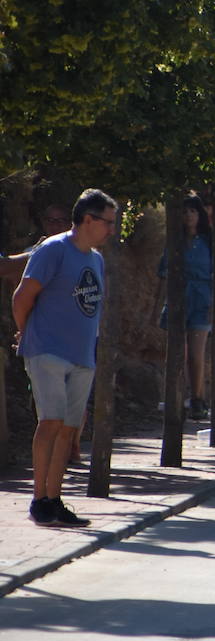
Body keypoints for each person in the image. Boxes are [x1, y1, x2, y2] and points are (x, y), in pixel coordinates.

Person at [14, 188, 118, 527]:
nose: (111, 230)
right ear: (88, 219)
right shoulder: (53, 249)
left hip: (81, 356)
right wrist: (27, 333)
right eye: (107, 222)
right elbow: (23, 297)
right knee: (51, 423)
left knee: (69, 431)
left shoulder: (96, 259)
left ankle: (54, 499)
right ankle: (38, 500)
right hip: (47, 351)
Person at [158, 194, 215, 420]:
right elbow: (163, 271)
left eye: (192, 211)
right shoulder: (175, 241)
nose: (189, 215)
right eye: (185, 212)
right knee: (176, 353)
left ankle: (198, 398)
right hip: (178, 298)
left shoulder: (209, 240)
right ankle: (176, 397)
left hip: (202, 298)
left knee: (196, 354)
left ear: (199, 214)